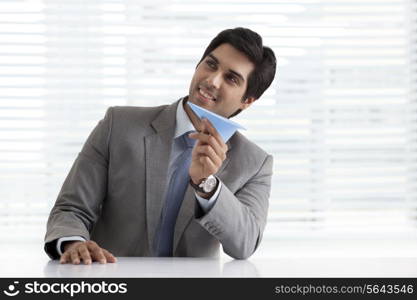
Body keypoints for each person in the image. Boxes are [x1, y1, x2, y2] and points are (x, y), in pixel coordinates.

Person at [44, 27, 276, 264]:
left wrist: (207, 185)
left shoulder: (256, 164)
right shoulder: (118, 125)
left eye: (231, 78)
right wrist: (75, 244)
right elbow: (71, 209)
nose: (212, 80)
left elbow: (245, 244)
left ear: (247, 100)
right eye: (211, 64)